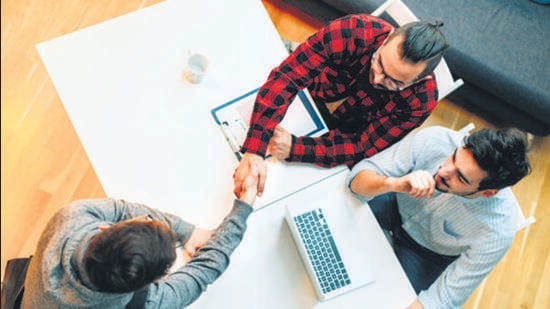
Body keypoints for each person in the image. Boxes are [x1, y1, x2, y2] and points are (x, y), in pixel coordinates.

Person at [233, 14, 448, 197]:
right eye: (380, 63)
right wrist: (254, 150)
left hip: (335, 136)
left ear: (419, 80)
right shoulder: (354, 30)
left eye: (395, 82)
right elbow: (288, 78)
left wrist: (297, 148)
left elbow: (362, 145)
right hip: (308, 90)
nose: (377, 78)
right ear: (387, 38)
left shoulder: (420, 102)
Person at [22, 161, 260, 308]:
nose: (142, 216)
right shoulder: (144, 304)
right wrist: (244, 204)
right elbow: (201, 273)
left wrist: (187, 231)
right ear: (148, 285)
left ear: (105, 229)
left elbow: (121, 210)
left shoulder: (71, 216)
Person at [346, 125, 531, 309]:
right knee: (333, 209)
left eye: (461, 177)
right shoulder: (435, 139)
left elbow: (442, 300)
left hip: (426, 254)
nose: (443, 171)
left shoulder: (498, 230)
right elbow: (355, 181)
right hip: (394, 201)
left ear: (488, 193)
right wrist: (394, 183)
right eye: (453, 158)